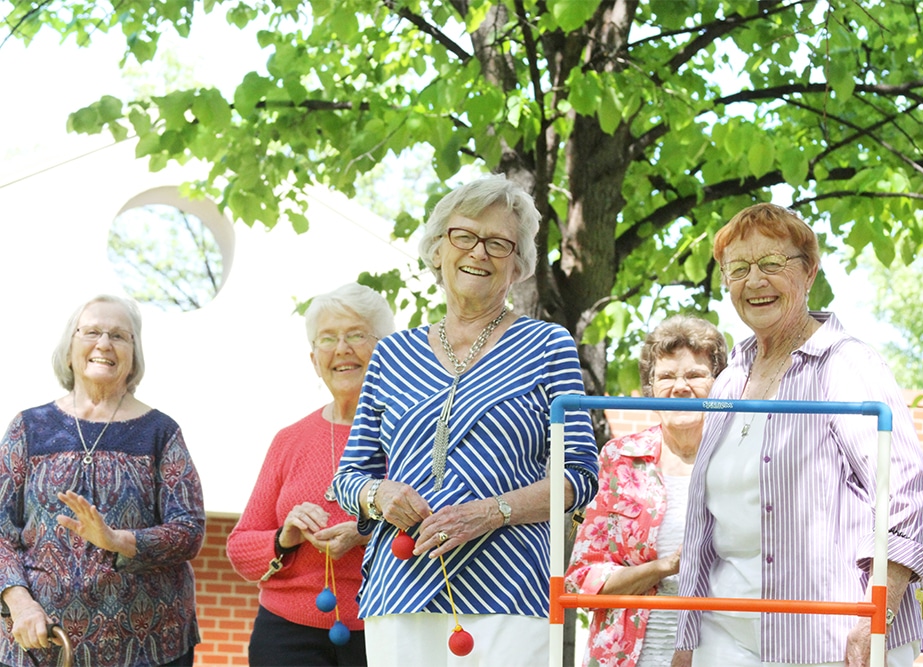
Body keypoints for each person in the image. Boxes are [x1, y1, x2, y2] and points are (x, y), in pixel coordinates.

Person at [332, 175, 599, 666]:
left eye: (499, 243)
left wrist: (490, 511)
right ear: (437, 250)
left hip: (512, 590)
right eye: (464, 236)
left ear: (517, 267)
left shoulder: (548, 345)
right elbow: (349, 476)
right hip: (400, 588)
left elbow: (580, 475)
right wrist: (380, 495)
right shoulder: (392, 354)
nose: (479, 252)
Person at [671, 203, 923, 667]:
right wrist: (687, 640)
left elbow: (903, 494)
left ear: (810, 271)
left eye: (772, 264)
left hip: (828, 632)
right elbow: (702, 522)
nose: (754, 281)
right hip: (726, 630)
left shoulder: (846, 365)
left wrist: (877, 614)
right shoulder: (731, 378)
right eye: (738, 268)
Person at [0, 294, 204, 667]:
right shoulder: (29, 428)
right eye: (91, 331)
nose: (104, 343)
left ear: (134, 356)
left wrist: (118, 541)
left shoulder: (161, 432)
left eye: (119, 336)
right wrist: (20, 602)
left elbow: (189, 531)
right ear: (69, 349)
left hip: (149, 646)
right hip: (41, 642)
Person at [227, 283, 395, 667]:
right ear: (313, 358)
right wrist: (284, 538)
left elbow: (435, 525)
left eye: (356, 334)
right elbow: (240, 547)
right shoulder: (289, 440)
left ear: (386, 351)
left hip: (382, 628)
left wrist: (363, 534)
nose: (341, 349)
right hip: (286, 634)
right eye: (328, 339)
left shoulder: (411, 435)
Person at [566, 315, 728, 667]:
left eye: (696, 375)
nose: (680, 387)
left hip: (723, 654)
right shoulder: (619, 459)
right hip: (624, 658)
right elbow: (581, 581)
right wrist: (663, 566)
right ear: (650, 390)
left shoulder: (742, 460)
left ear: (721, 387)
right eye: (666, 377)